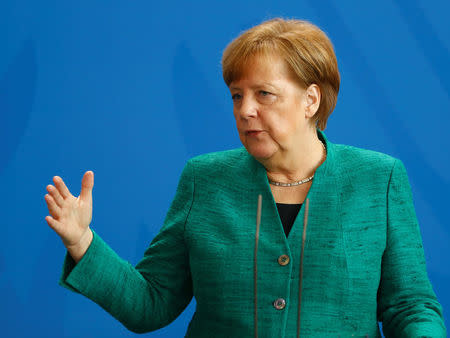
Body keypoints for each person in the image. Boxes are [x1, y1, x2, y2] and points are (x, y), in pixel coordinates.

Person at [44, 18, 447, 337]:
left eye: (264, 94)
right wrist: (83, 242)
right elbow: (151, 303)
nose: (244, 109)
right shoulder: (204, 179)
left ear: (311, 99)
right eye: (237, 95)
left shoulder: (380, 178)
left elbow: (409, 305)